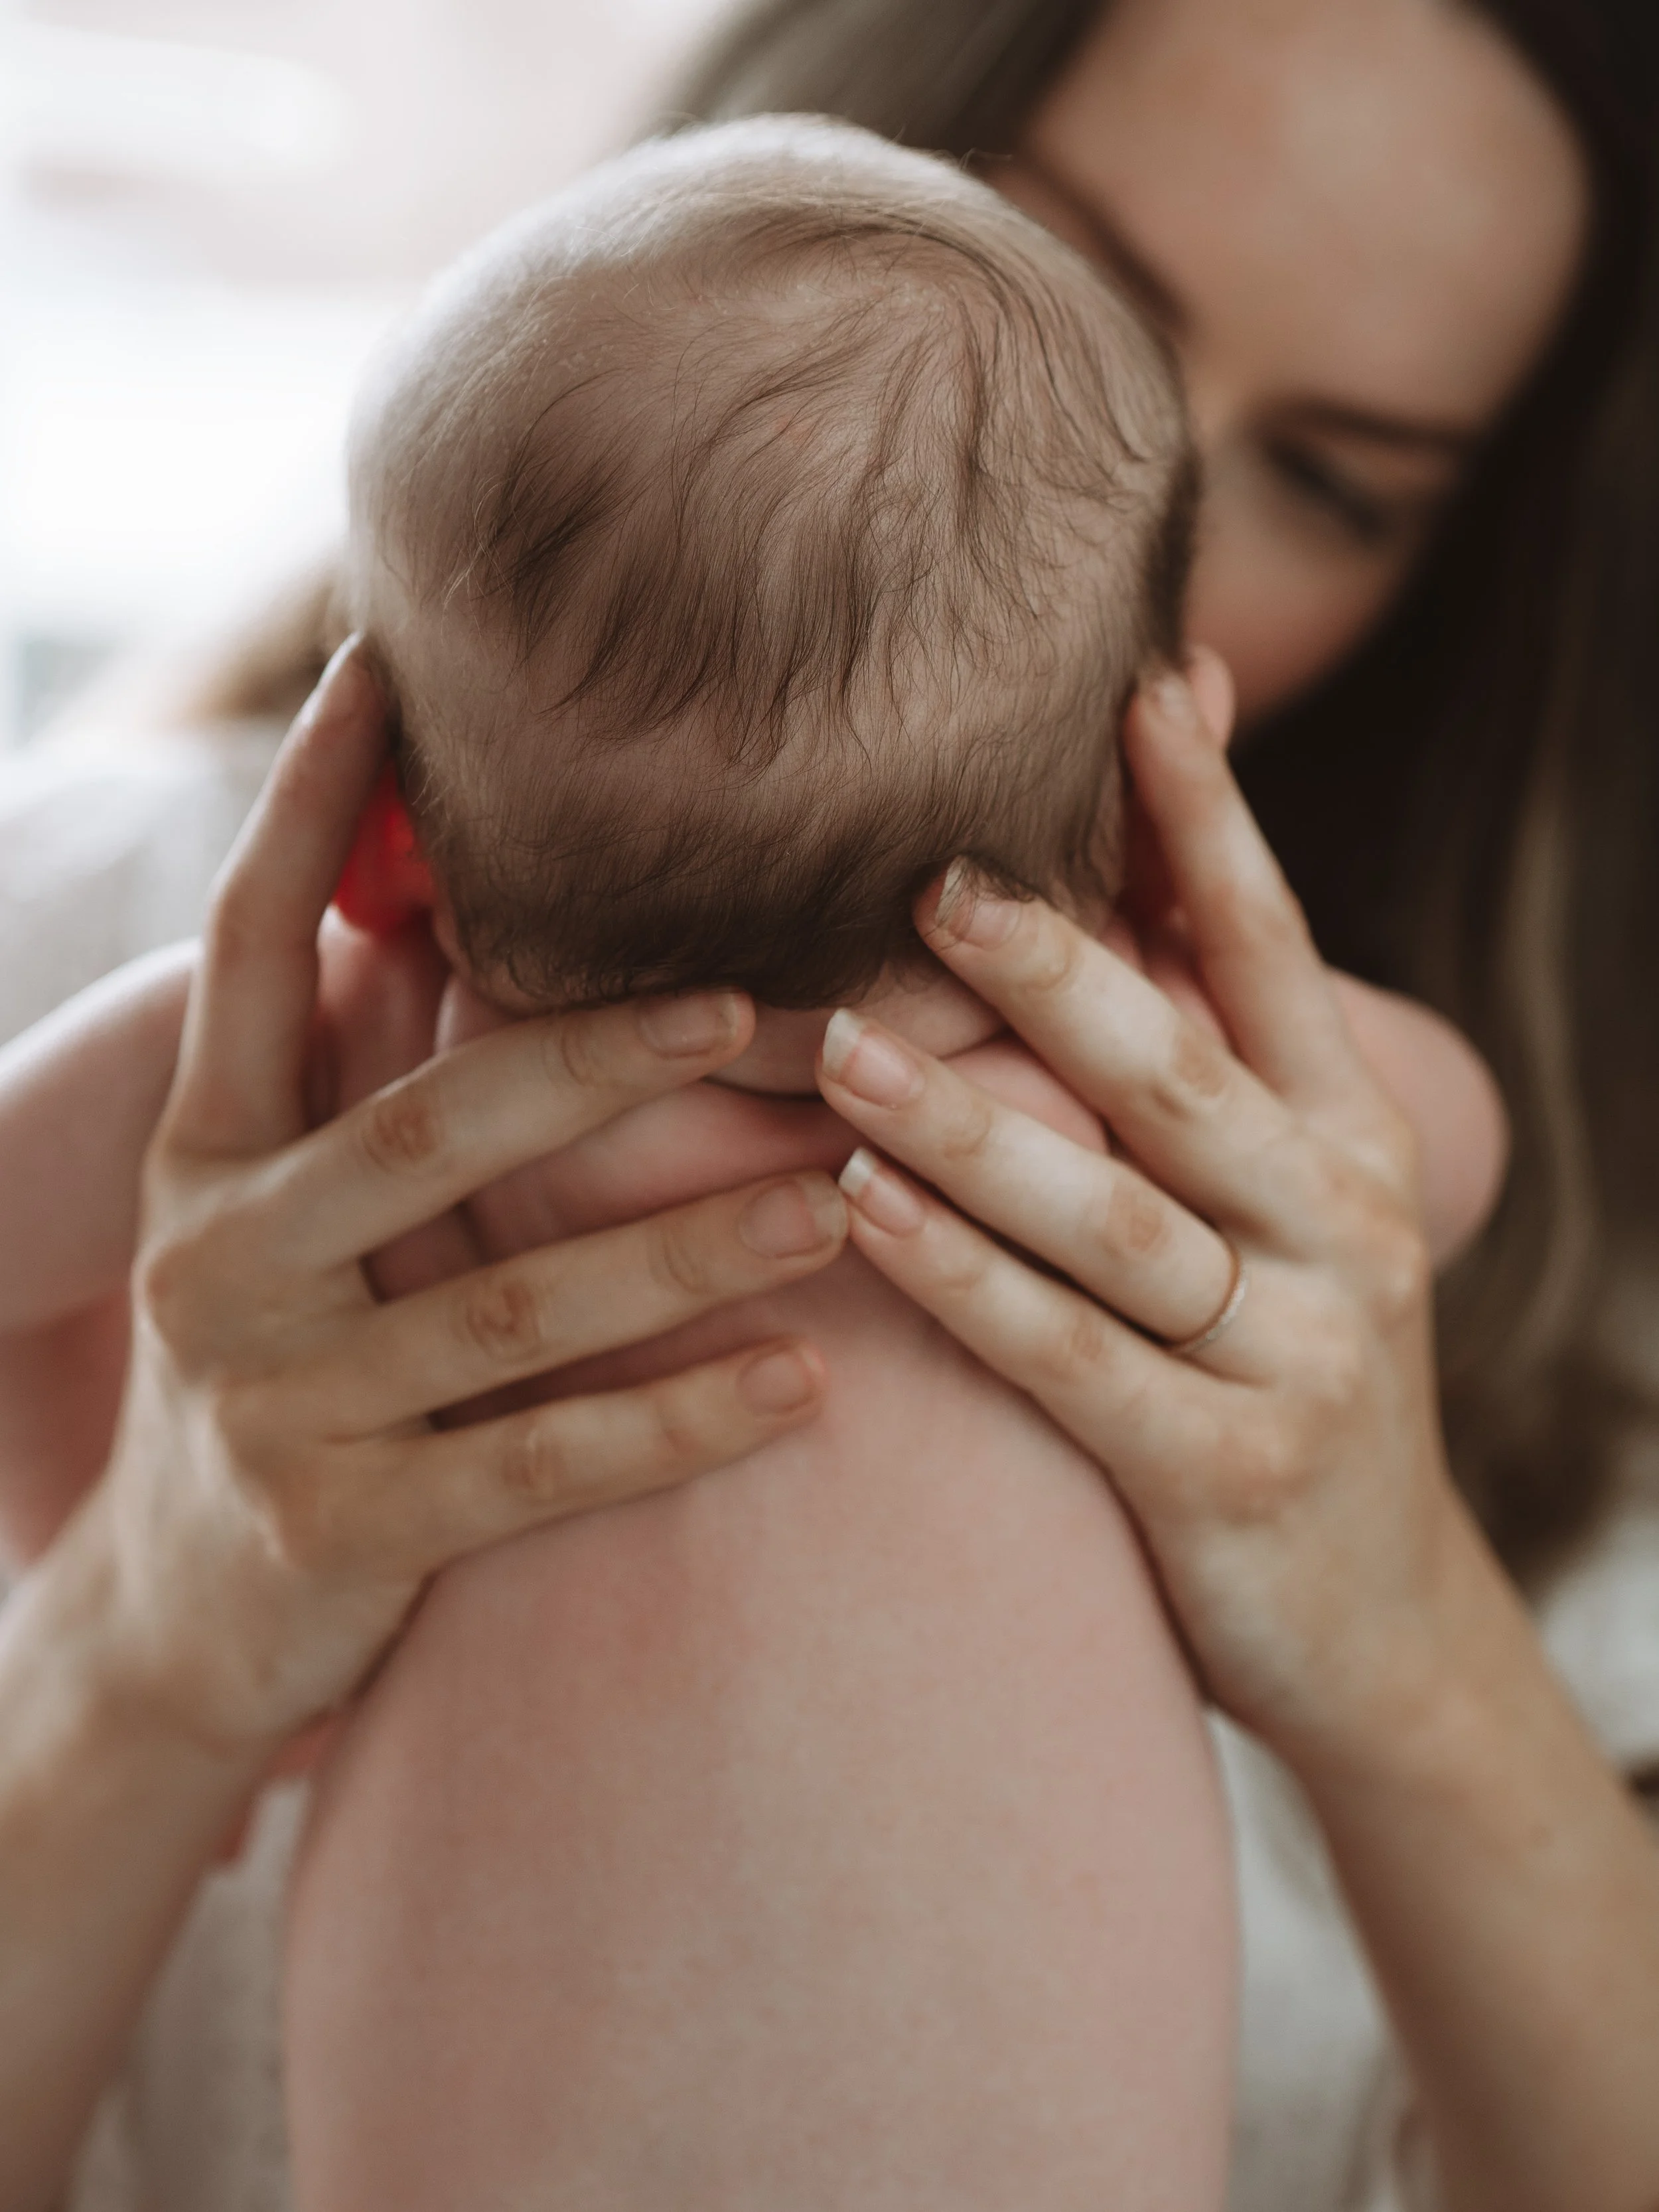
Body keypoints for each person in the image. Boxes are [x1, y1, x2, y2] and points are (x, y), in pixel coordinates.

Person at [0, 1, 1652, 2207]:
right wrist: (131, 1632)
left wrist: (1405, 1629)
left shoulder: (311, 1030)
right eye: (1084, 308)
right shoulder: (1182, 1109)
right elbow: (1445, 1147)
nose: (1154, 499)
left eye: (1339, 480)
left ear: (382, 827)